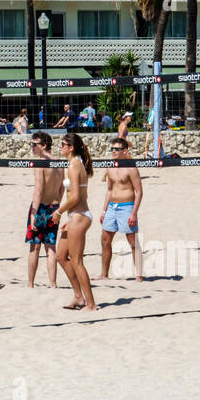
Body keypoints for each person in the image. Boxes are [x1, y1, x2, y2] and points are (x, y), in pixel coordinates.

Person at [50, 131, 97, 310]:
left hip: (80, 215)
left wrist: (59, 211)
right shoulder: (74, 163)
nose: (60, 147)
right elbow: (80, 193)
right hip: (74, 215)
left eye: (63, 144)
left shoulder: (74, 164)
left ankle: (91, 304)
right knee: (61, 256)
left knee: (77, 261)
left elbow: (76, 196)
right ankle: (78, 297)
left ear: (71, 148)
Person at [100, 136, 143, 281]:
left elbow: (139, 192)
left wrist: (134, 213)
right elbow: (109, 190)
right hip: (112, 207)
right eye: (112, 149)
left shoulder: (131, 167)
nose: (113, 152)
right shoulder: (110, 166)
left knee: (132, 242)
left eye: (116, 149)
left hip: (127, 207)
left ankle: (139, 275)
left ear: (125, 151)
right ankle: (104, 274)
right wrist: (104, 211)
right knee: (105, 240)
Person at [26, 132, 62, 288]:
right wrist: (58, 208)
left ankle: (30, 284)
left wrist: (34, 214)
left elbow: (38, 190)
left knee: (35, 247)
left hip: (40, 208)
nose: (32, 147)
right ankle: (53, 284)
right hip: (54, 207)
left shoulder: (41, 163)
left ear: (44, 145)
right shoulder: (59, 163)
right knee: (50, 247)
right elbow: (61, 190)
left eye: (35, 144)